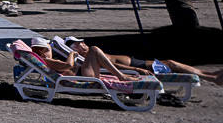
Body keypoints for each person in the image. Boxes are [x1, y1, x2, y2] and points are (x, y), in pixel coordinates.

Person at [60, 36, 223, 86]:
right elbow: (113, 65)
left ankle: (209, 74)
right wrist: (138, 70)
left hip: (136, 61)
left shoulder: (90, 54)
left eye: (82, 42)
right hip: (135, 66)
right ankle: (211, 77)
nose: (83, 44)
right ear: (74, 48)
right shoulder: (87, 57)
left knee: (170, 63)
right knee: (171, 64)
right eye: (79, 44)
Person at [27, 37, 131, 81]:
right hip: (83, 75)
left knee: (94, 52)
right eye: (49, 49)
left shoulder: (45, 61)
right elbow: (68, 65)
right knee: (94, 50)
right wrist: (71, 54)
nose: (51, 51)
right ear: (42, 51)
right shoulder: (46, 60)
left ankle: (121, 75)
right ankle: (121, 76)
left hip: (82, 73)